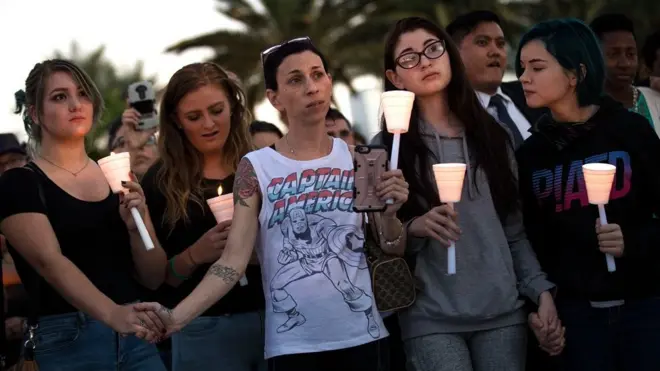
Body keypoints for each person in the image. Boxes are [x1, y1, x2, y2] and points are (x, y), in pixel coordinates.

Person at [137, 37, 410, 371]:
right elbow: (232, 263)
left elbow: (391, 246)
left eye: (318, 74)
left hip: (365, 337)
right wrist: (175, 318)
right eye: (296, 79)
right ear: (275, 98)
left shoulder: (363, 161)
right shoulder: (255, 167)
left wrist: (391, 214)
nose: (312, 87)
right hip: (294, 346)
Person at [377, 17, 561, 371]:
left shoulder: (494, 137)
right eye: (409, 58)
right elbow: (385, 244)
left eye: (433, 49)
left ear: (450, 56)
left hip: (503, 312)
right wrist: (413, 225)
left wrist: (540, 291)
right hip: (430, 317)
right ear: (394, 78)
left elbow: (512, 230)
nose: (426, 61)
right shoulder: (389, 150)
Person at [0, 59, 168, 370]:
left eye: (83, 94)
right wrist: (113, 314)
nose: (76, 104)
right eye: (59, 97)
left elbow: (153, 277)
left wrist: (138, 226)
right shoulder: (19, 183)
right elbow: (50, 262)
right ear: (35, 113)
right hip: (69, 341)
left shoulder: (114, 174)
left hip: (137, 336)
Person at [516, 19, 660, 371]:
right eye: (522, 68)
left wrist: (633, 243)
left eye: (537, 67)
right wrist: (541, 306)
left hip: (645, 309)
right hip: (576, 322)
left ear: (575, 73)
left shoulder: (629, 130)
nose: (523, 78)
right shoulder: (532, 154)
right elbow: (528, 240)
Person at [141, 62, 266, 371]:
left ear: (234, 108)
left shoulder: (261, 166)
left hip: (275, 321)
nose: (209, 124)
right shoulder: (160, 183)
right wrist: (197, 254)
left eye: (217, 110)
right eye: (194, 117)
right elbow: (157, 279)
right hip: (202, 329)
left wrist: (253, 253)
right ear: (176, 121)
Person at [446, 11, 546, 148]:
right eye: (482, 42)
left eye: (500, 44)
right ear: (454, 52)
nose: (495, 51)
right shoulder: (446, 111)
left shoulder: (533, 92)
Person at [589, 13, 660, 129]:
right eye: (613, 54)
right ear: (592, 57)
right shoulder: (580, 109)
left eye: (630, 54)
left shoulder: (655, 101)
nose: (625, 63)